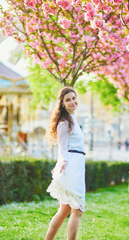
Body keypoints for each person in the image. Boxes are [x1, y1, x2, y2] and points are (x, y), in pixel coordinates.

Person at [44, 87, 86, 240]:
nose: (72, 102)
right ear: (62, 103)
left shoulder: (72, 119)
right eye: (68, 100)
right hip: (71, 167)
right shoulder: (64, 123)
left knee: (65, 210)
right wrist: (62, 164)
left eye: (73, 98)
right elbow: (62, 147)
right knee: (77, 210)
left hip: (76, 165)